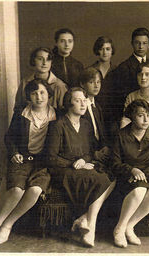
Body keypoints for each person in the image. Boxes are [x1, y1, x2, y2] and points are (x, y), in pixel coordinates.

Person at [0, 79, 56, 245]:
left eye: (42, 92)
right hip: (23, 158)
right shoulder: (22, 113)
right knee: (17, 190)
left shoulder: (55, 115)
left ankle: (7, 225)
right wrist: (14, 153)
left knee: (35, 190)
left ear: (49, 94)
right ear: (29, 96)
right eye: (34, 93)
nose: (39, 97)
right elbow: (10, 137)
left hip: (42, 163)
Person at [46, 87, 116, 247]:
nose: (83, 104)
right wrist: (72, 164)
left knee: (112, 176)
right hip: (62, 170)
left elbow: (90, 151)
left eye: (84, 100)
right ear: (69, 103)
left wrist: (84, 160)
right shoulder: (58, 125)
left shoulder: (86, 124)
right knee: (100, 179)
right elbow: (50, 157)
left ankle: (86, 219)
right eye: (78, 100)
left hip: (81, 166)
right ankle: (90, 229)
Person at [111, 99, 149, 248]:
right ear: (131, 116)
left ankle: (129, 227)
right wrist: (132, 170)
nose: (145, 119)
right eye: (140, 115)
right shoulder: (121, 135)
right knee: (139, 190)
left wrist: (145, 173)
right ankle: (119, 228)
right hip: (128, 177)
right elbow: (115, 164)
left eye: (148, 115)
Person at [108, 28, 149, 133]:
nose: (141, 47)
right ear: (132, 44)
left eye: (144, 43)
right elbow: (118, 99)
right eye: (137, 43)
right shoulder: (123, 68)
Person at [14, 47, 67, 114]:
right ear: (33, 60)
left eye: (48, 59)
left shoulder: (59, 86)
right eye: (40, 59)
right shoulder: (25, 83)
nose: (44, 63)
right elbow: (18, 109)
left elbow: (65, 113)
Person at [79, 67, 109, 159]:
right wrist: (94, 154)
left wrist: (104, 146)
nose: (96, 86)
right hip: (85, 154)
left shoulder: (97, 107)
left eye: (98, 82)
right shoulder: (80, 108)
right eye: (91, 82)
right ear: (82, 84)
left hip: (99, 151)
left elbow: (101, 132)